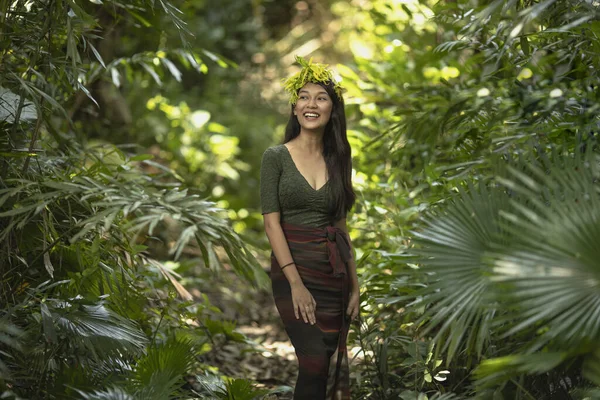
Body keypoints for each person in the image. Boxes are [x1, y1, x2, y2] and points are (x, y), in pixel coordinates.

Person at [260, 56, 360, 400]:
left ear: (333, 108)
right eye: (303, 96)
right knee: (314, 360)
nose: (311, 104)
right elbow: (271, 224)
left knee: (322, 361)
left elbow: (340, 223)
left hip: (333, 274)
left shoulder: (340, 156)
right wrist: (296, 284)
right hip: (294, 271)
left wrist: (356, 287)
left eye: (321, 97)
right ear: (294, 107)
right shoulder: (275, 157)